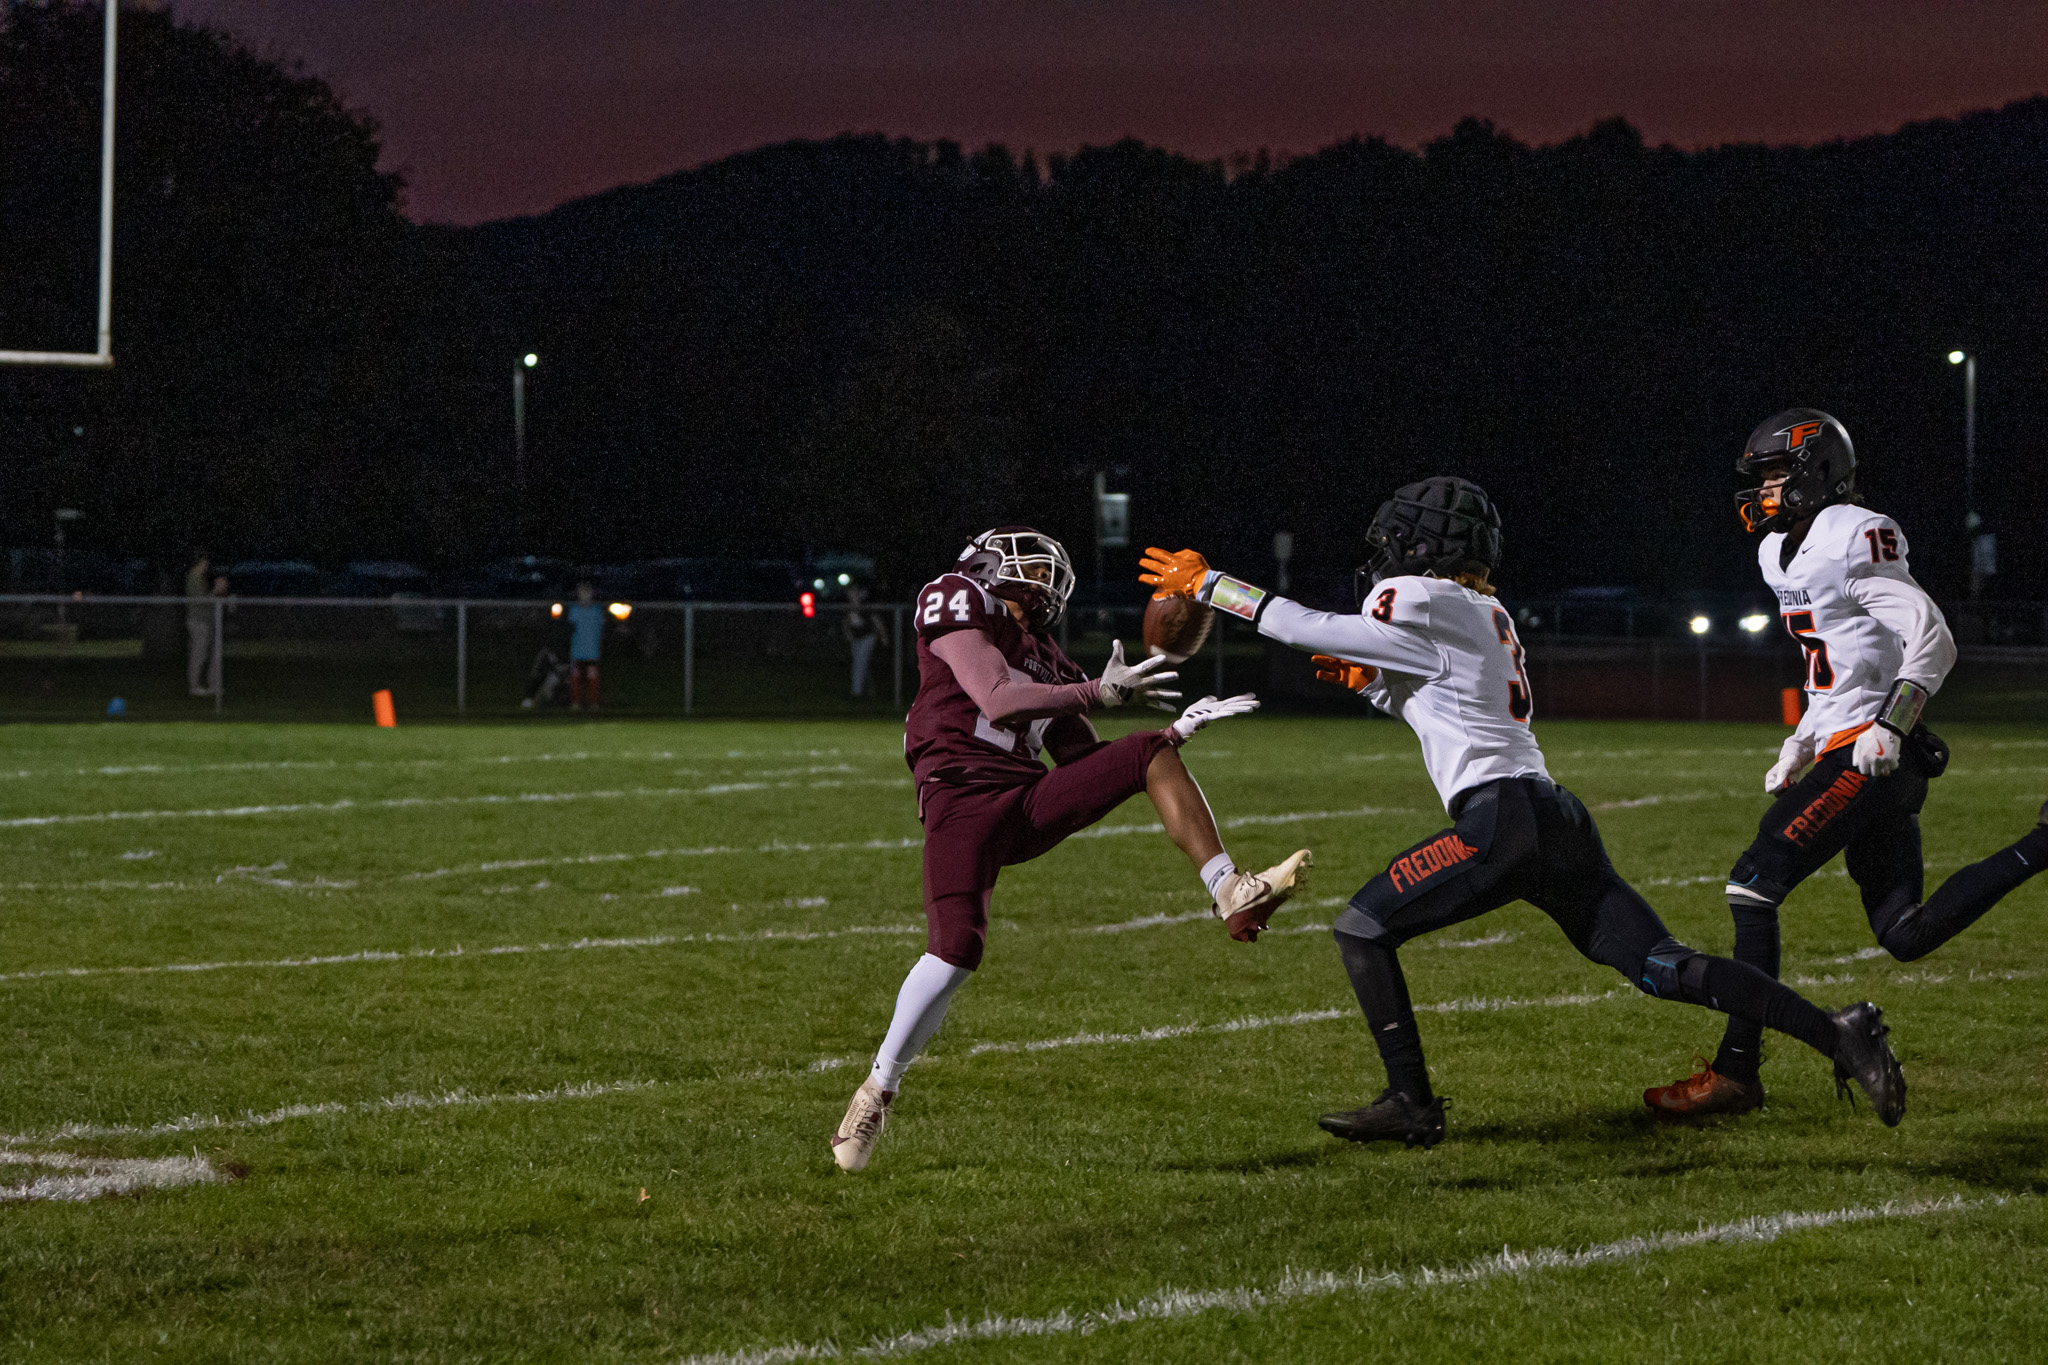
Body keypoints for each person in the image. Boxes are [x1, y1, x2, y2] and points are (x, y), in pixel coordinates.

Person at [1139, 477, 1907, 1150]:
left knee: (1362, 925)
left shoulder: (1418, 595)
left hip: (1499, 820)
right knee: (1661, 964)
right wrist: (1370, 684)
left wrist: (1212, 586)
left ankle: (1411, 1103)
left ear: (1420, 545)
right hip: (1554, 817)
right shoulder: (1481, 608)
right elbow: (1448, 699)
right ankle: (1836, 1031)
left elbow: (1302, 623)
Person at [830, 525, 1313, 1172]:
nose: (1043, 575)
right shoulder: (955, 599)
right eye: (1030, 559)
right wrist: (1099, 692)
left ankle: (1230, 890)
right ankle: (877, 1089)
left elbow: (1086, 761)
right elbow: (996, 701)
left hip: (1027, 802)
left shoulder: (1050, 657)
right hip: (962, 797)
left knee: (1148, 750)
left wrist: (1172, 732)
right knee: (956, 950)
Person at [1644, 410, 2048, 1116]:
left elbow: (1932, 638)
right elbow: (1840, 661)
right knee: (1904, 931)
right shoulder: (1778, 552)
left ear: (1815, 472)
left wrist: (1892, 723)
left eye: (1775, 475)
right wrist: (1802, 737)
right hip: (1850, 740)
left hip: (1876, 748)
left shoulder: (1853, 532)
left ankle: (1739, 1073)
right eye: (1762, 478)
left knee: (1751, 887)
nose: (1764, 490)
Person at [184, 549, 225, 697]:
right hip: (198, 621)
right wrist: (216, 591)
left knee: (209, 653)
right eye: (205, 562)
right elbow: (200, 600)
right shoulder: (195, 576)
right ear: (201, 562)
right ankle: (194, 686)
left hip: (205, 621)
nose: (207, 565)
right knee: (198, 654)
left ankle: (212, 684)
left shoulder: (200, 577)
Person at [564, 580, 604, 711]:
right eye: (582, 593)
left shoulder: (597, 611)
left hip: (592, 650)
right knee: (576, 677)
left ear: (591, 594)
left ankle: (594, 703)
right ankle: (575, 703)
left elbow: (601, 629)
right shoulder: (573, 610)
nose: (585, 596)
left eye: (587, 593)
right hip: (577, 650)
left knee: (592, 676)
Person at [842, 584, 887, 698]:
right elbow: (845, 622)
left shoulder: (865, 606)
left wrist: (883, 635)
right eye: (850, 593)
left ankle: (856, 692)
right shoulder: (848, 608)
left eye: (854, 593)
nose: (852, 595)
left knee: (859, 662)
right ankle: (868, 689)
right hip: (856, 638)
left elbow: (876, 620)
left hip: (868, 637)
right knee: (860, 662)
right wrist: (847, 633)